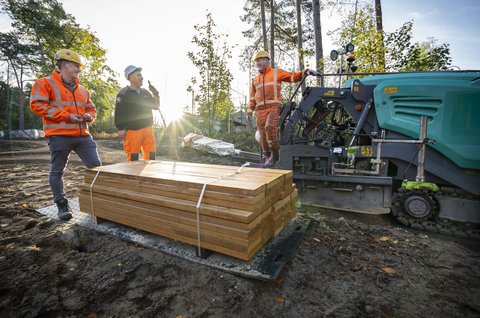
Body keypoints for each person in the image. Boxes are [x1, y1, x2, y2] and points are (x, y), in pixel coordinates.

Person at [30, 49, 101, 221]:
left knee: (97, 168)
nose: (79, 69)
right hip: (58, 135)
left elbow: (91, 109)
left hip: (82, 136)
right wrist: (66, 116)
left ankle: (99, 202)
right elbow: (37, 105)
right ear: (64, 65)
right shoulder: (45, 83)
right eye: (76, 66)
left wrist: (88, 116)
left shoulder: (83, 90)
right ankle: (61, 204)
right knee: (57, 171)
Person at [247, 50, 318, 168]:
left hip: (273, 107)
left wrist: (305, 72)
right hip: (259, 110)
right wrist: (250, 110)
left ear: (266, 61)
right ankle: (267, 156)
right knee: (262, 135)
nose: (257, 63)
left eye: (259, 61)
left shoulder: (276, 73)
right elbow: (252, 97)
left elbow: (292, 77)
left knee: (269, 127)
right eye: (256, 62)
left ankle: (275, 155)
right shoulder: (255, 79)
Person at [114, 65, 160, 161]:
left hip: (148, 129)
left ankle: (149, 175)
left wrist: (155, 93)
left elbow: (156, 106)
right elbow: (119, 111)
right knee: (133, 157)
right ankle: (132, 176)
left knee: (151, 155)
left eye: (141, 75)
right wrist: (120, 128)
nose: (141, 77)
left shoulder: (145, 92)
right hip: (133, 131)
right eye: (139, 75)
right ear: (131, 77)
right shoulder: (124, 92)